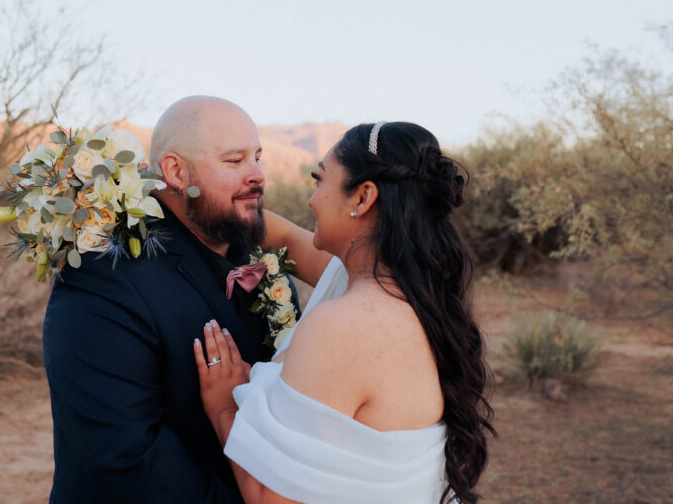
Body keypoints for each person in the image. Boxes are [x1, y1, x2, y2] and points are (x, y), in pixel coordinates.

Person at [193, 121, 494, 504]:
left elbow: (273, 498)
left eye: (320, 180)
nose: (312, 199)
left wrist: (222, 405)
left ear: (363, 197)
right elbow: (283, 236)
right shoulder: (415, 289)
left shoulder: (344, 324)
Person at [42, 96, 300, 503]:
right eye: (235, 161)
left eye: (257, 157)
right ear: (176, 171)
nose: (257, 175)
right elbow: (125, 457)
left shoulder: (261, 265)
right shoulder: (104, 276)